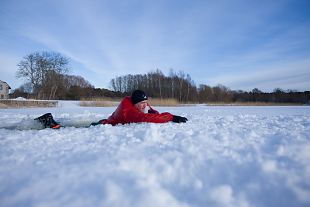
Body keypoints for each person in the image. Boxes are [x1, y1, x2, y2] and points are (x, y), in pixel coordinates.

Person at [35, 90, 188, 129]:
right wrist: (171, 117)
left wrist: (157, 111)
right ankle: (51, 123)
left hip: (106, 121)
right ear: (135, 104)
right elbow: (148, 118)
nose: (145, 106)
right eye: (141, 103)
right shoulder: (129, 112)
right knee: (70, 128)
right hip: (103, 126)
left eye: (146, 103)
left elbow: (149, 110)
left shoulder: (135, 103)